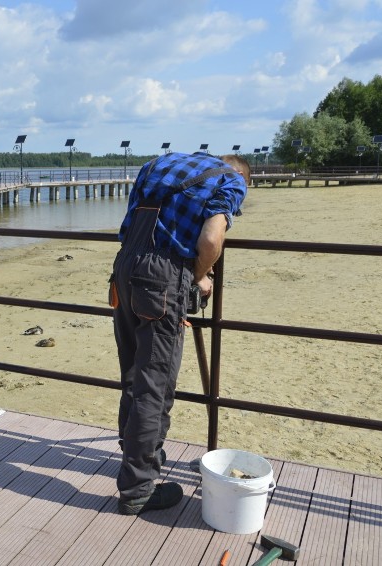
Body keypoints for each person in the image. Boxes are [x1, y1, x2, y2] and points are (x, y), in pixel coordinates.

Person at [109, 151, 250, 515]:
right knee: (154, 385)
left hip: (125, 265)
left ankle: (140, 449)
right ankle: (138, 489)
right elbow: (211, 239)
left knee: (133, 374)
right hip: (162, 278)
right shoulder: (229, 179)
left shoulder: (157, 164)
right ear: (241, 176)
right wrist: (199, 274)